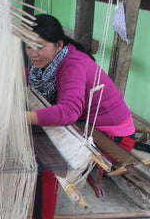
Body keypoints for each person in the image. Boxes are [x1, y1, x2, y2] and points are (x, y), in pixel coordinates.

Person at [24, 14, 135, 219]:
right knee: (33, 142)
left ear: (59, 44)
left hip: (114, 136)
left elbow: (68, 112)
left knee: (47, 164)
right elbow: (26, 75)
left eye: (40, 46)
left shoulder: (72, 64)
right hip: (86, 124)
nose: (34, 53)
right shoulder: (48, 63)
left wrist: (19, 117)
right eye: (29, 46)